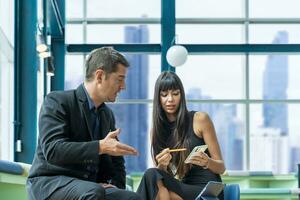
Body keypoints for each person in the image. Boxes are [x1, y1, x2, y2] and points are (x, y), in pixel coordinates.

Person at [27, 47, 142, 200]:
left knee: (131, 198)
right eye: (119, 79)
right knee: (93, 192)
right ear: (100, 76)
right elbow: (53, 150)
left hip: (88, 186)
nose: (123, 86)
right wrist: (100, 146)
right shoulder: (57, 101)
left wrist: (114, 185)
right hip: (50, 183)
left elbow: (116, 162)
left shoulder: (106, 114)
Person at [137, 71, 226, 200]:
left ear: (181, 95)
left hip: (208, 190)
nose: (170, 99)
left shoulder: (200, 119)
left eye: (175, 94)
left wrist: (207, 162)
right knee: (159, 187)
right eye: (164, 95)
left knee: (153, 178)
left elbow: (221, 168)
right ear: (158, 98)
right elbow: (163, 176)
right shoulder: (156, 132)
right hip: (183, 187)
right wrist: (162, 165)